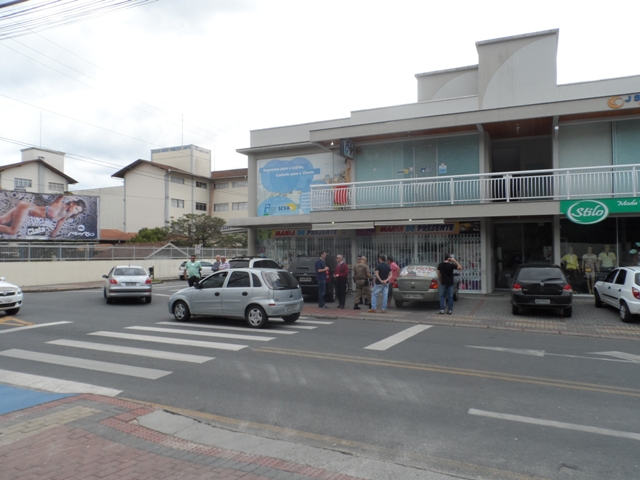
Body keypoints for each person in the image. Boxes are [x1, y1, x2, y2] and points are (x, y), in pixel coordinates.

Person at [0, 195, 86, 238]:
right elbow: (60, 197)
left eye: (78, 211)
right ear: (72, 203)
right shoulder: (60, 205)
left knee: (2, 221)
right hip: (27, 208)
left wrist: (56, 231)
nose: (76, 211)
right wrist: (67, 195)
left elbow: (61, 220)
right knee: (12, 231)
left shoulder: (68, 214)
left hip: (26, 207)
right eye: (76, 208)